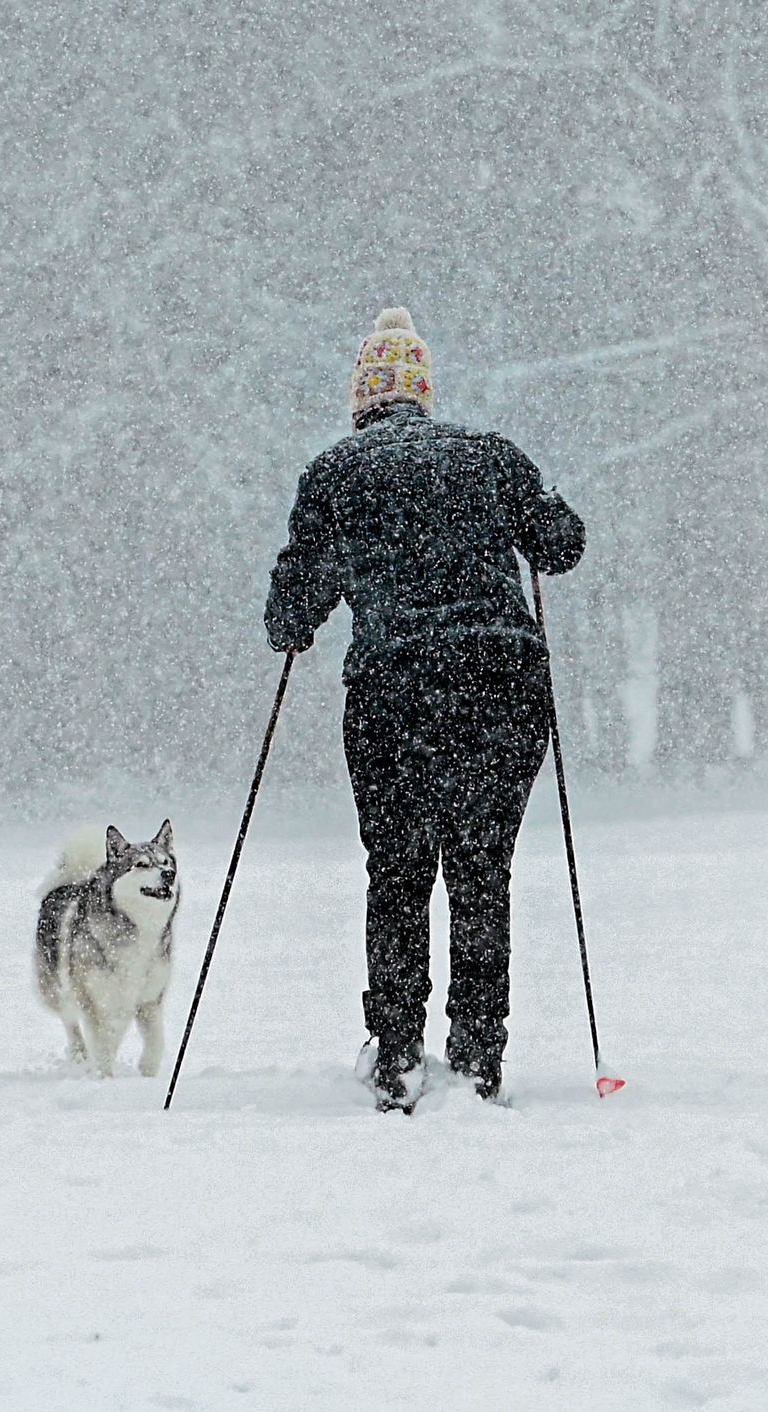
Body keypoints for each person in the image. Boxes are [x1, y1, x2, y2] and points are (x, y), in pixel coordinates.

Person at [264, 308, 585, 1111]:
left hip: (395, 689)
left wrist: (305, 609)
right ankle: (478, 1051)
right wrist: (536, 509)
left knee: (399, 871)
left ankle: (399, 1052)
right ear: (425, 396)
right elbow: (563, 544)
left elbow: (289, 616)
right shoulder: (490, 456)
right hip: (501, 682)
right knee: (481, 870)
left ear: (362, 401)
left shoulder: (337, 473)